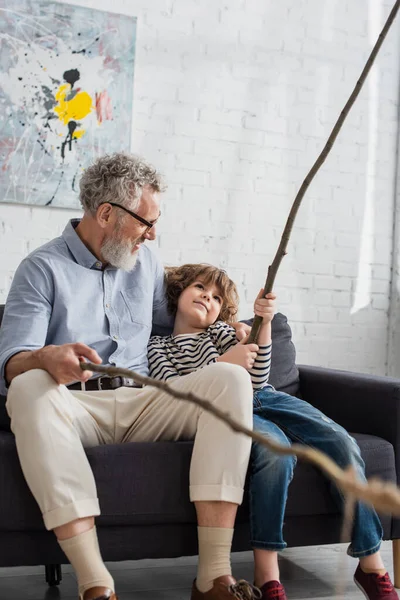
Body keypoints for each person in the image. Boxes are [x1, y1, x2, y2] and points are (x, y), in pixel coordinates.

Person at [0, 154, 262, 600]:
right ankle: (96, 584)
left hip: (146, 401)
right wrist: (46, 356)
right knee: (26, 387)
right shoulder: (40, 268)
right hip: (75, 406)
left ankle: (213, 579)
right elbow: (11, 362)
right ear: (106, 214)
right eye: (147, 222)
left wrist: (229, 325)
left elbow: (179, 320)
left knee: (231, 381)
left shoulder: (146, 263)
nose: (153, 233)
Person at [147, 263, 399, 600]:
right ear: (179, 292)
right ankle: (269, 576)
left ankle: (371, 564)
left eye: (217, 298)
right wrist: (225, 365)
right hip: (227, 410)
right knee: (274, 455)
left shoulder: (224, 333)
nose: (208, 298)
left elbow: (259, 377)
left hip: (266, 397)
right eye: (199, 289)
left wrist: (262, 323)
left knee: (341, 441)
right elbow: (175, 396)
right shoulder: (160, 348)